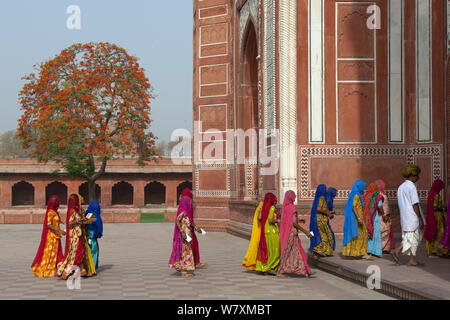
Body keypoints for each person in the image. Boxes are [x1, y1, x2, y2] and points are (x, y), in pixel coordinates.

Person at [392, 164, 425, 266]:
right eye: (417, 175)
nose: (418, 177)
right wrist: (420, 218)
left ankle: (411, 259)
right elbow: (414, 203)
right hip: (412, 216)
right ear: (413, 176)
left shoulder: (401, 187)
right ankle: (398, 251)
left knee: (409, 237)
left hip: (405, 216)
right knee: (413, 237)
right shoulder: (411, 187)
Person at [56, 194, 96, 279]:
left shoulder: (77, 210)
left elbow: (78, 222)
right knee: (76, 253)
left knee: (79, 252)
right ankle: (66, 272)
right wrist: (80, 220)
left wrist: (86, 220)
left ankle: (82, 270)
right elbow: (70, 224)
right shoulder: (72, 210)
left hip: (78, 234)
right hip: (74, 236)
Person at [277, 190, 313, 277]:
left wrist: (299, 220)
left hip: (288, 233)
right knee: (291, 251)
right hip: (292, 233)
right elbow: (293, 223)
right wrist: (305, 232)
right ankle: (281, 270)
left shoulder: (285, 207)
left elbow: (288, 220)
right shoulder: (292, 207)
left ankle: (303, 270)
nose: (295, 197)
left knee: (294, 251)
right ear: (291, 197)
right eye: (294, 196)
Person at [31, 195, 66, 277]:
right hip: (51, 237)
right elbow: (49, 225)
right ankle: (47, 270)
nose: (59, 203)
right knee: (51, 254)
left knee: (55, 253)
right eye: (58, 201)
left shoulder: (54, 211)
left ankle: (55, 268)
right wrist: (59, 230)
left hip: (56, 236)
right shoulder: (50, 212)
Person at [342, 179, 372, 260]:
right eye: (363, 187)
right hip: (356, 219)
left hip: (355, 218)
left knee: (356, 235)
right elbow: (354, 206)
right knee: (362, 234)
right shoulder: (356, 195)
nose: (364, 188)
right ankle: (362, 253)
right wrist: (358, 218)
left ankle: (353, 252)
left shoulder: (354, 194)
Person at [169, 196, 195, 277]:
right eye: (189, 202)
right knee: (184, 251)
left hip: (187, 234)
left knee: (187, 251)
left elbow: (190, 222)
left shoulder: (187, 212)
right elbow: (177, 221)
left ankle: (182, 268)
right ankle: (183, 270)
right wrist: (182, 232)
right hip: (184, 235)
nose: (191, 204)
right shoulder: (183, 211)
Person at [180, 188, 206, 268]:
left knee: (192, 244)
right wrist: (195, 227)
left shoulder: (182, 206)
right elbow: (188, 218)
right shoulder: (186, 205)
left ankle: (194, 262)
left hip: (187, 229)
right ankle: (187, 265)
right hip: (187, 230)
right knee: (189, 246)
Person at [256, 193, 280, 275]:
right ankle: (270, 267)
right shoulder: (272, 207)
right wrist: (280, 220)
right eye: (275, 200)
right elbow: (270, 220)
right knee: (275, 250)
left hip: (265, 230)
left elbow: (259, 218)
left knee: (267, 249)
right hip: (271, 230)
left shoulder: (263, 207)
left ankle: (262, 267)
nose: (276, 201)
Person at [309, 185, 336, 258]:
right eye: (325, 189)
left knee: (321, 235)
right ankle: (320, 250)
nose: (326, 190)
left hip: (318, 219)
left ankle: (320, 251)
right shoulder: (322, 198)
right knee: (326, 235)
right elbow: (319, 209)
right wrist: (328, 213)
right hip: (321, 220)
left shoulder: (317, 198)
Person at [424, 179, 446, 258]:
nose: (441, 188)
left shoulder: (434, 194)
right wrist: (442, 208)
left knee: (439, 232)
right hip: (435, 216)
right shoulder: (434, 194)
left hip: (437, 216)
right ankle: (432, 252)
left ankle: (436, 250)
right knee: (435, 232)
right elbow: (434, 206)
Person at [375, 179, 395, 253]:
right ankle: (382, 248)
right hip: (383, 215)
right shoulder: (379, 194)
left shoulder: (381, 193)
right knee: (384, 231)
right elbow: (379, 206)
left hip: (386, 215)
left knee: (387, 231)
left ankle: (386, 248)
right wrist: (383, 215)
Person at [242, 201, 263, 270]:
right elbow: (259, 218)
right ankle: (257, 264)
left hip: (258, 231)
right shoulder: (261, 207)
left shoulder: (259, 207)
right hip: (260, 231)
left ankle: (255, 264)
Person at [367, 186, 385, 257]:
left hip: (367, 218)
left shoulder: (366, 196)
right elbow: (380, 207)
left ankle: (369, 250)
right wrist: (383, 215)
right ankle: (376, 251)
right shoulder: (377, 197)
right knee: (376, 234)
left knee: (369, 233)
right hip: (375, 218)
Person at [85, 200, 103, 270]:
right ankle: (92, 267)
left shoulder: (88, 214)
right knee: (94, 251)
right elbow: (98, 225)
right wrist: (98, 233)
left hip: (87, 234)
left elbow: (85, 223)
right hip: (92, 235)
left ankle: (88, 266)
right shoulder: (95, 215)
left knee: (89, 251)